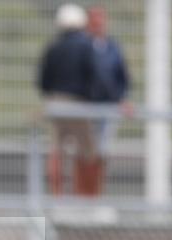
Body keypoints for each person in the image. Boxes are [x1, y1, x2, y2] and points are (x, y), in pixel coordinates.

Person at [37, 4, 100, 196]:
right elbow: (94, 75)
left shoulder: (53, 47)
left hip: (55, 104)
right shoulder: (86, 46)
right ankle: (86, 197)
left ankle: (56, 197)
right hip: (78, 104)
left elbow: (43, 80)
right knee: (87, 152)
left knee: (56, 151)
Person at [87, 5, 132, 189]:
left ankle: (96, 195)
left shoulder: (113, 47)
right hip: (85, 109)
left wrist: (122, 99)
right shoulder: (82, 46)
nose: (99, 24)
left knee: (102, 153)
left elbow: (122, 76)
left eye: (101, 19)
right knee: (84, 154)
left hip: (108, 108)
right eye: (94, 19)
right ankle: (81, 198)